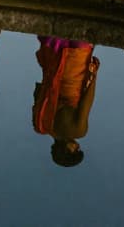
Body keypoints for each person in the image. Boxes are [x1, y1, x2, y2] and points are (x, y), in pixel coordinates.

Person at [33, 36, 98, 167]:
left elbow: (86, 103)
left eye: (76, 149)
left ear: (67, 150)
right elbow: (38, 94)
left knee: (83, 30)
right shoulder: (41, 126)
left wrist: (94, 74)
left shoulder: (78, 131)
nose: (78, 146)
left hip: (75, 69)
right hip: (53, 61)